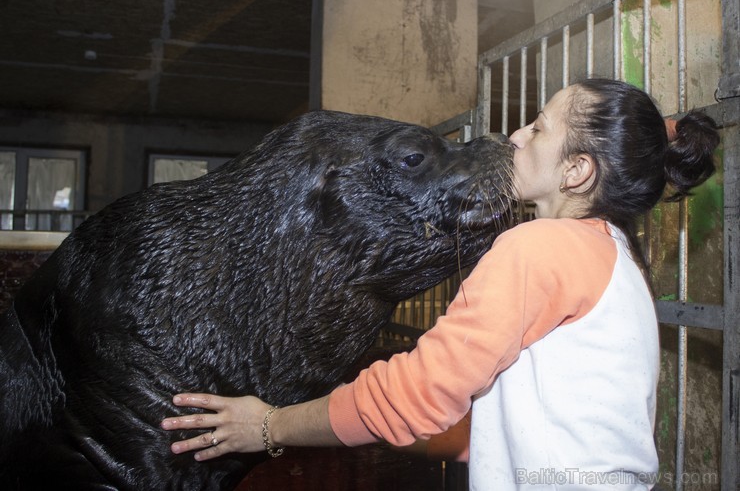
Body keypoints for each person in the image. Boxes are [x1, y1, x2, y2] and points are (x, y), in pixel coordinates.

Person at [160, 78, 719, 489]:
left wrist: (269, 426)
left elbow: (417, 394)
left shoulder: (540, 246)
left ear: (576, 172)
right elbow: (527, 411)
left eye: (540, 127)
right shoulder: (619, 260)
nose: (518, 135)